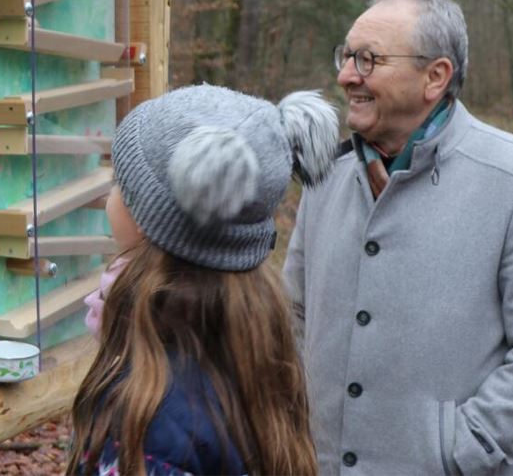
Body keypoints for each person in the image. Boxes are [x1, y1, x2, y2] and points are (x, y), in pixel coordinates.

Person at [283, 0, 513, 476]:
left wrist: (460, 452)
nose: (346, 76)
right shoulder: (326, 176)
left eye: (368, 60)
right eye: (345, 56)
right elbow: (294, 314)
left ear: (435, 76)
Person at [67, 84, 339, 476]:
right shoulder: (252, 346)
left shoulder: (145, 415)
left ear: (150, 222)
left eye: (119, 183)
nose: (110, 195)